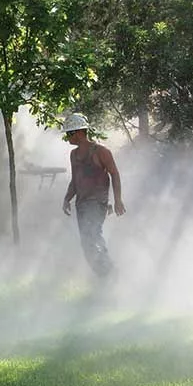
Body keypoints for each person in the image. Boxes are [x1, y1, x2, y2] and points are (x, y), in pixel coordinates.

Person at [61, 114, 126, 278]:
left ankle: (110, 275)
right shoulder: (73, 155)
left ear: (79, 132)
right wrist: (67, 198)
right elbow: (75, 179)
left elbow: (115, 175)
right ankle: (105, 276)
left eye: (69, 133)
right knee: (86, 243)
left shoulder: (101, 152)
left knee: (92, 236)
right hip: (81, 204)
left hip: (97, 203)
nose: (68, 138)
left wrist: (118, 200)